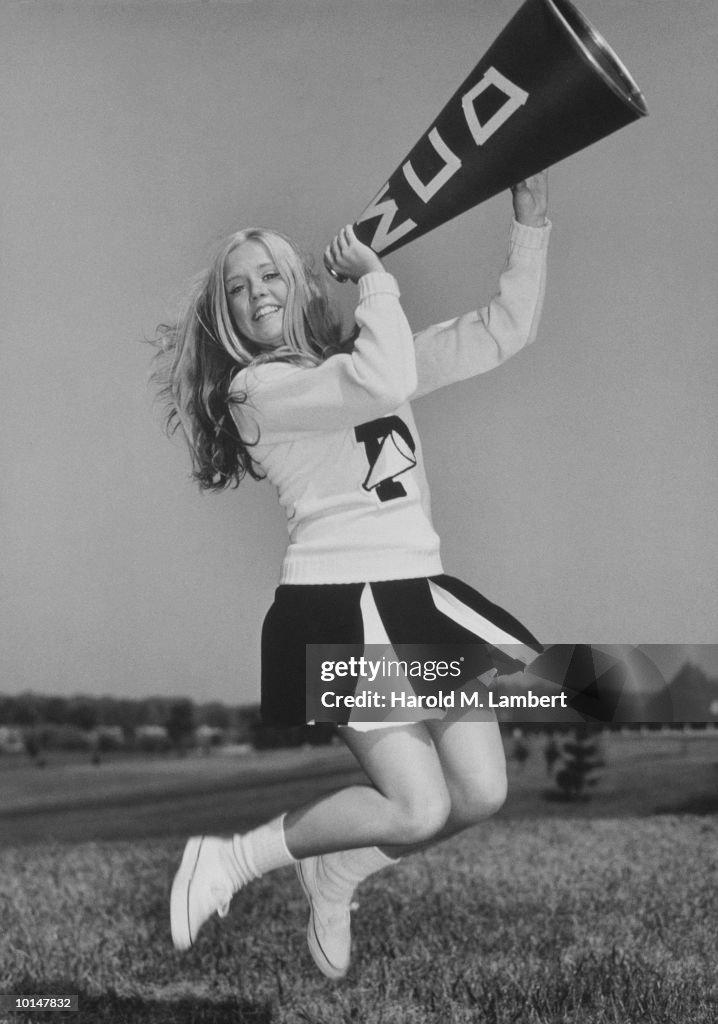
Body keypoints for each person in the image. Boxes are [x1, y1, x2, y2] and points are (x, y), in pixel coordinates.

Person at [152, 172, 550, 980]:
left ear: (298, 285)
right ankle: (233, 858)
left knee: (479, 793)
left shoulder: (369, 357)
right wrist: (376, 278)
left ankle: (337, 869)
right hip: (337, 605)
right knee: (418, 805)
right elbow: (376, 381)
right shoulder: (256, 390)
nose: (257, 293)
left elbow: (502, 331)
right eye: (238, 288)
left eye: (270, 274)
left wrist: (531, 225)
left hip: (419, 592)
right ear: (227, 316)